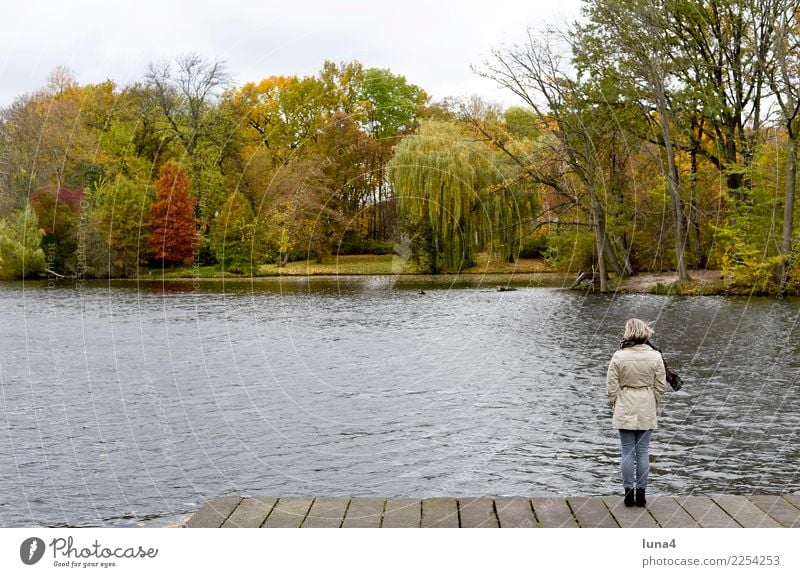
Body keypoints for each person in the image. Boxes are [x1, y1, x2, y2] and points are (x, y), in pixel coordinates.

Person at [606, 318, 666, 507]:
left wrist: (616, 405)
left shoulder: (618, 356)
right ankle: (641, 495)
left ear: (628, 333)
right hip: (646, 402)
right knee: (643, 452)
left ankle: (627, 494)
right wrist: (653, 404)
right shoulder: (655, 356)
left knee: (627, 452)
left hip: (625, 403)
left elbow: (611, 387)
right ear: (645, 333)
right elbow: (660, 386)